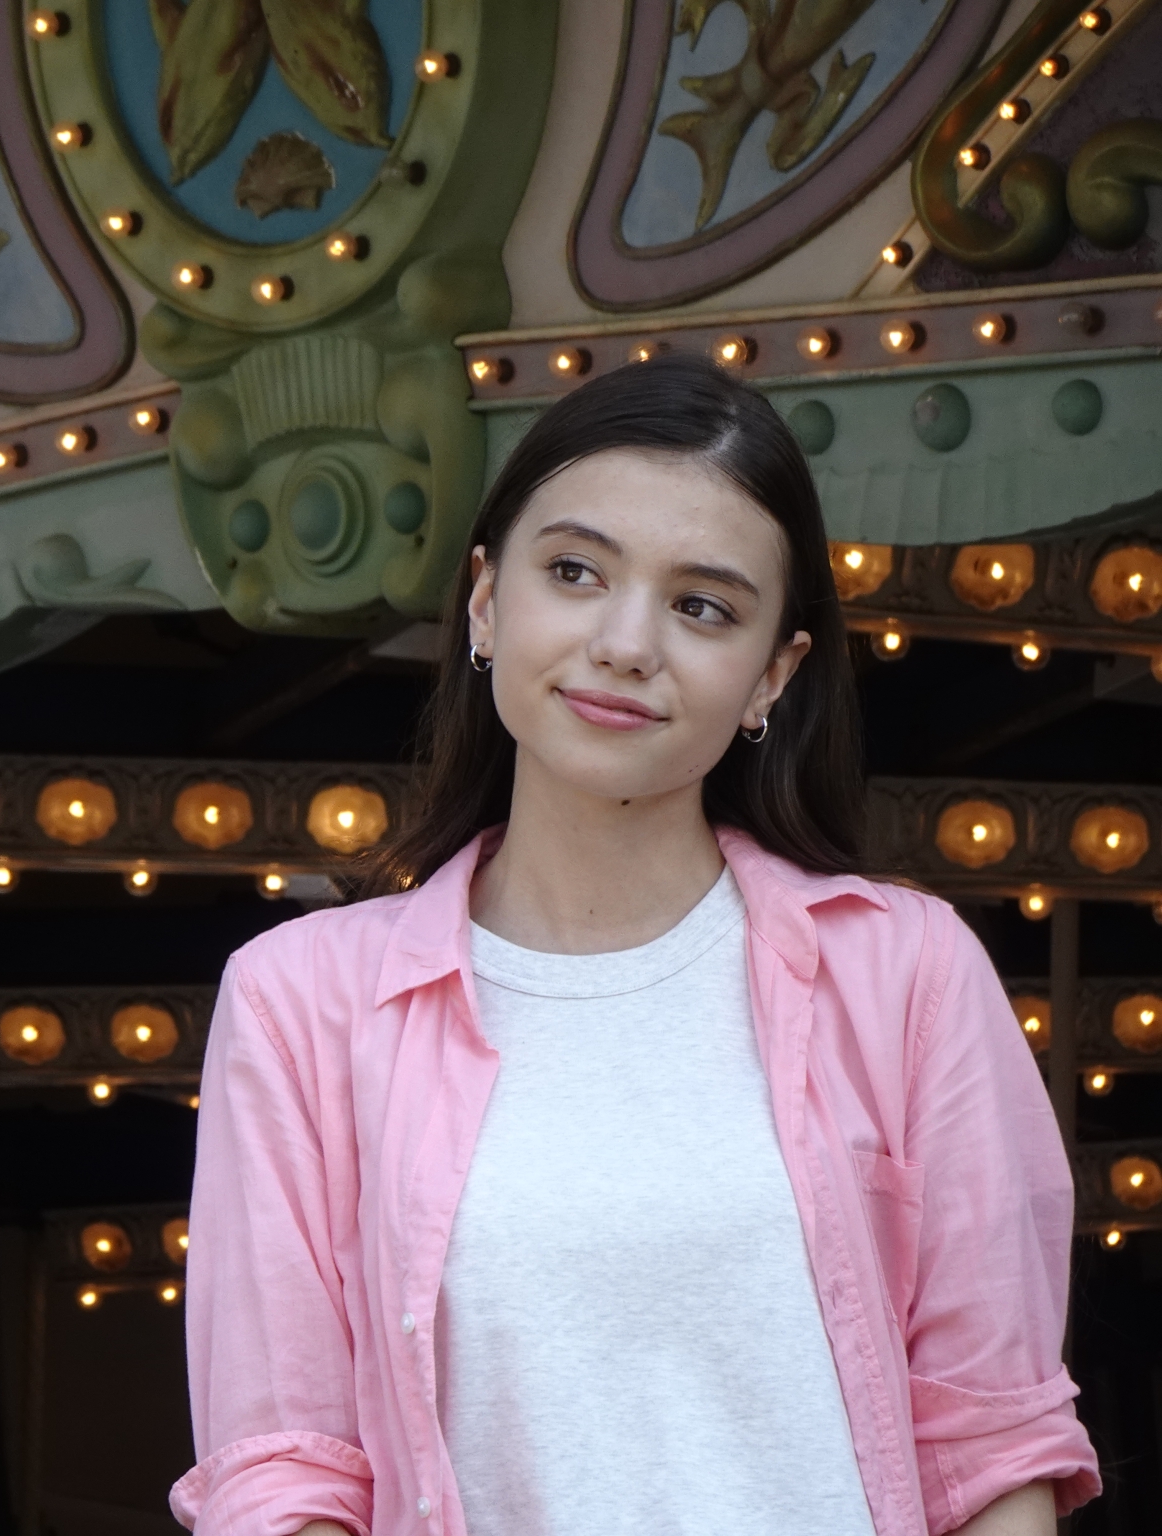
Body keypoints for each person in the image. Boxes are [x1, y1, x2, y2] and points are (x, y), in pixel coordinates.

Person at [168, 354, 1099, 1536]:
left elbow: (990, 1448)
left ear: (771, 673)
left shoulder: (904, 972)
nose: (623, 642)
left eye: (700, 605)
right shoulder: (300, 1001)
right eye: (571, 571)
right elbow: (283, 1472)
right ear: (485, 602)